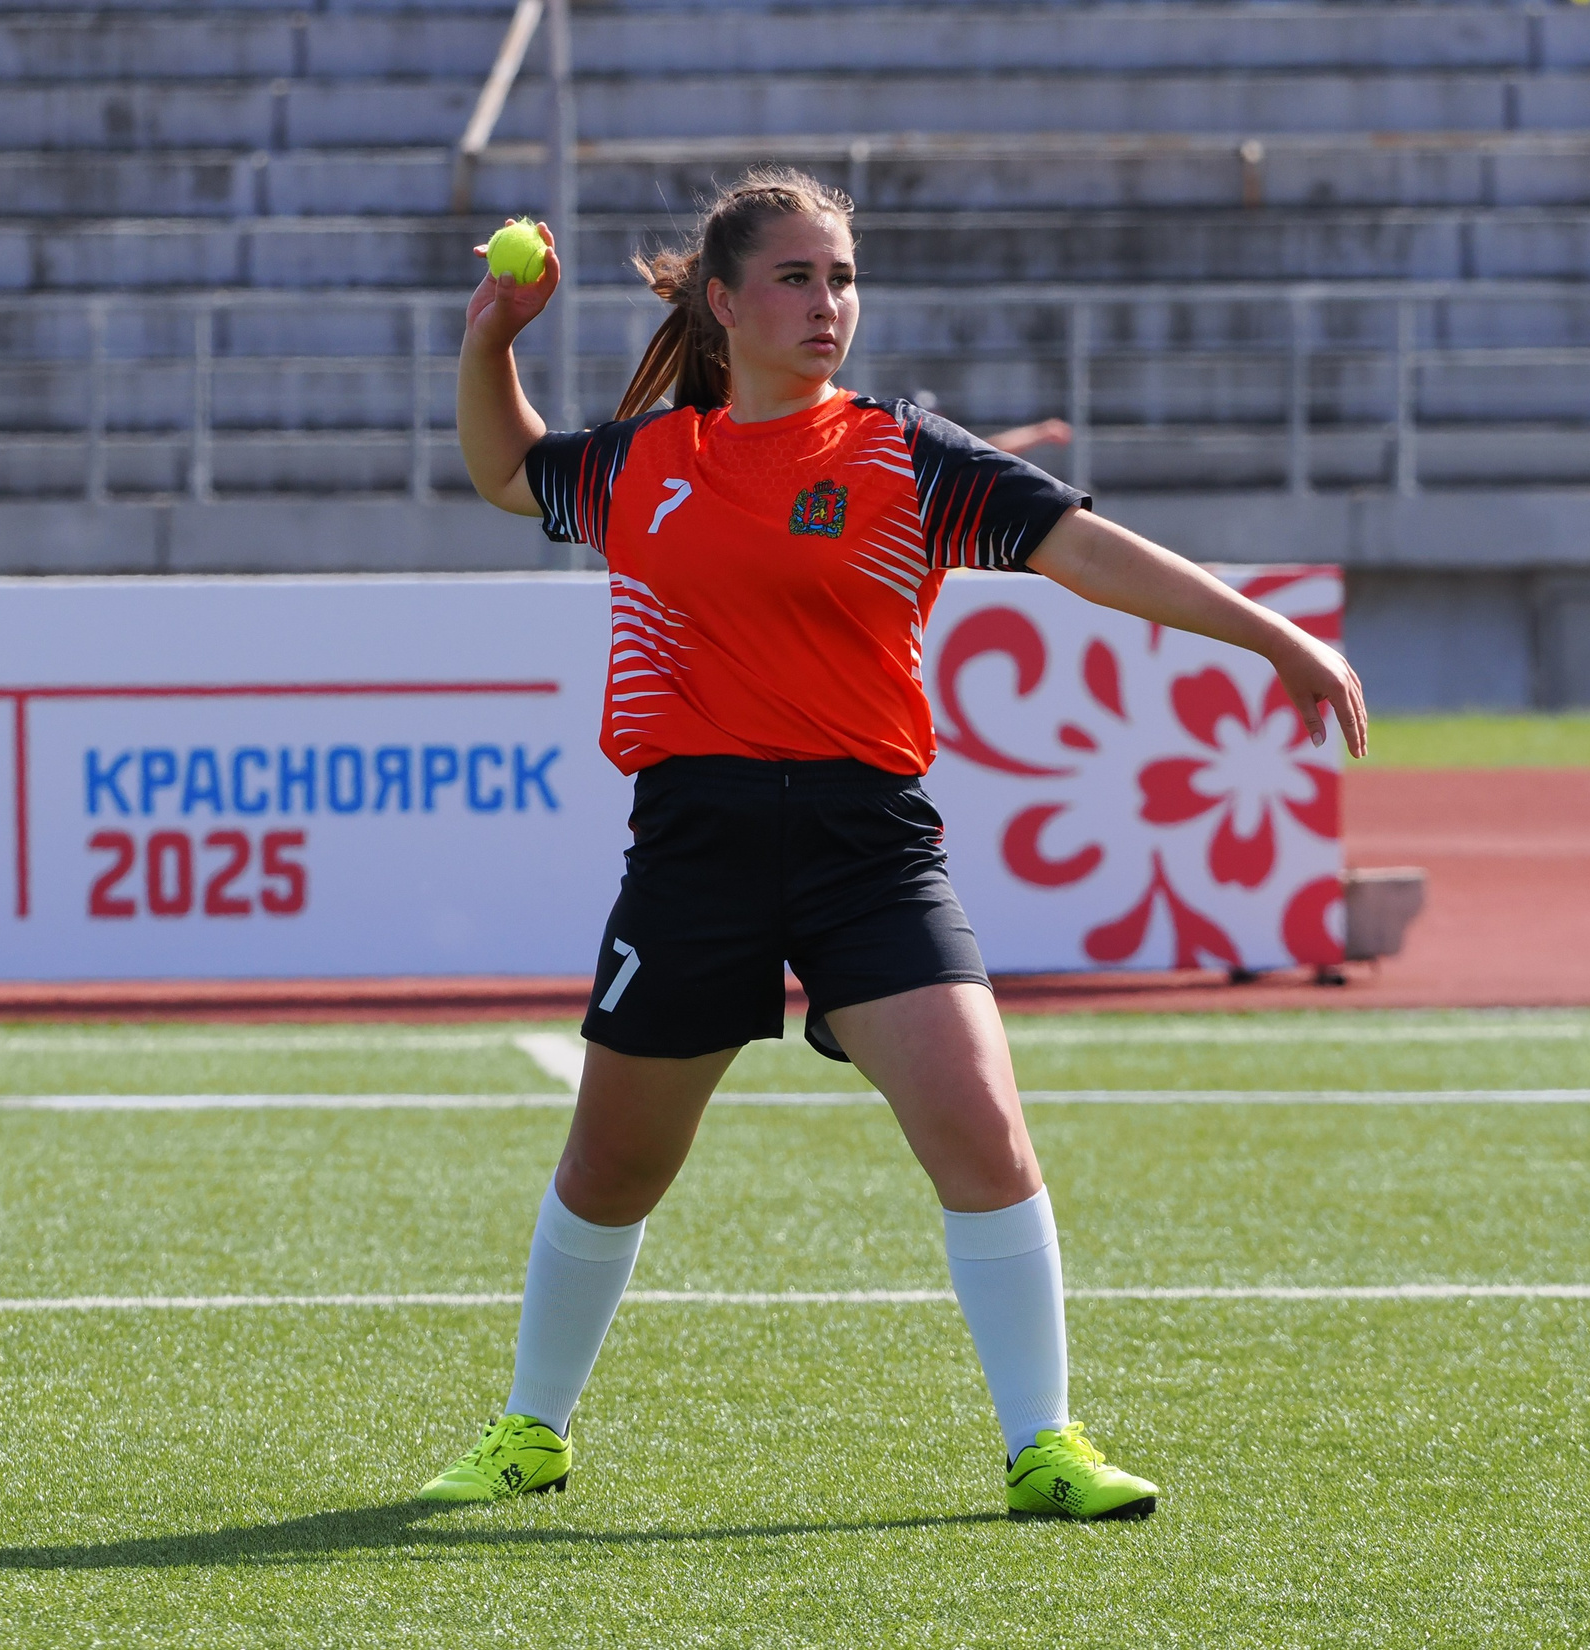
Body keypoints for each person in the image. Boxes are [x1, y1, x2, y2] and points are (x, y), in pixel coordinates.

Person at [421, 170, 1366, 1520]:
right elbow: (507, 472)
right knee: (616, 1165)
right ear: (724, 302)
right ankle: (531, 1427)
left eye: (844, 277)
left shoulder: (905, 454)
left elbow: (1090, 553)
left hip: (871, 843)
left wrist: (1279, 636)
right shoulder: (647, 464)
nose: (828, 303)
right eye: (799, 277)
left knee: (984, 1131)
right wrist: (491, 337)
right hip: (696, 846)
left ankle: (1045, 1439)